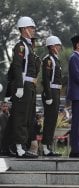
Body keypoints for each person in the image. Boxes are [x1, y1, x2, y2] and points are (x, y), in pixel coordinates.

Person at [5, 16, 40, 158]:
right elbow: (18, 67)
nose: (33, 30)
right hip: (23, 85)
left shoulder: (28, 46)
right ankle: (19, 148)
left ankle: (17, 145)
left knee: (27, 117)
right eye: (31, 28)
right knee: (20, 116)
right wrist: (19, 86)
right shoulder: (21, 46)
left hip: (29, 85)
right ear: (25, 29)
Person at [41, 36, 63, 156]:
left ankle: (48, 146)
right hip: (51, 92)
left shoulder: (55, 59)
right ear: (53, 46)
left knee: (53, 120)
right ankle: (45, 147)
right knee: (49, 120)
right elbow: (46, 79)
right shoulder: (48, 60)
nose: (59, 48)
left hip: (56, 92)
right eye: (58, 46)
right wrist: (49, 96)